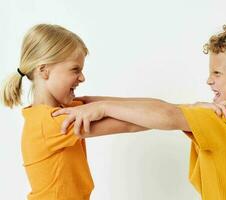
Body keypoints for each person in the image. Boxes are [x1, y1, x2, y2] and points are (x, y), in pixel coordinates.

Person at [53, 21, 226, 200]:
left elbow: (167, 114)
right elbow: (165, 108)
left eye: (217, 74)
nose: (209, 80)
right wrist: (91, 103)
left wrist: (101, 107)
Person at [0, 24, 150, 200]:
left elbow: (128, 107)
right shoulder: (55, 121)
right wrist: (182, 115)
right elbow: (131, 122)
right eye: (75, 69)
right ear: (44, 70)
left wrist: (182, 107)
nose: (82, 77)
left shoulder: (61, 112)